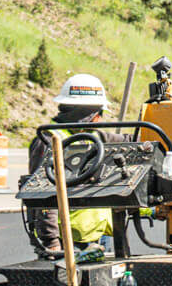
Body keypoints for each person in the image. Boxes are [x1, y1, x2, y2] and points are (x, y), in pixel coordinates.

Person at [25, 73, 118, 260]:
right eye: (99, 113)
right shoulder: (51, 140)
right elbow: (44, 195)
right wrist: (52, 241)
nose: (100, 120)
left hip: (97, 238)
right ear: (87, 114)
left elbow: (131, 142)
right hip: (66, 241)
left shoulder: (95, 137)